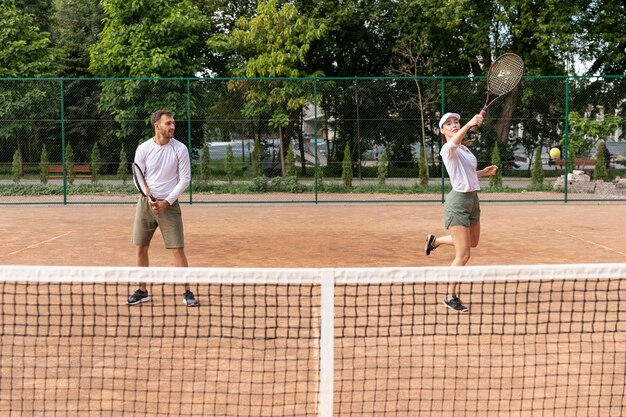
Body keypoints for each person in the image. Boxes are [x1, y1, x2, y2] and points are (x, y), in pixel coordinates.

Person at [425, 112, 498, 313]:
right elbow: (455, 142)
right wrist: (469, 124)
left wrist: (483, 173)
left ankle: (436, 241)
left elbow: (465, 174)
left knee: (473, 242)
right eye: (448, 123)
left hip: (473, 200)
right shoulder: (447, 149)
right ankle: (450, 297)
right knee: (463, 254)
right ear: (442, 131)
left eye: (456, 121)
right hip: (457, 202)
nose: (454, 125)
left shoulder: (464, 149)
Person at [127, 109, 198, 306]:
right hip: (146, 204)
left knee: (178, 250)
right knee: (140, 247)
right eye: (168, 123)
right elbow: (138, 176)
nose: (172, 126)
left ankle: (187, 291)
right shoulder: (143, 149)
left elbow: (185, 178)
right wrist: (148, 197)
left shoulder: (180, 149)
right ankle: (142, 291)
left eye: (173, 123)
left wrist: (167, 202)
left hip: (170, 205)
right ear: (157, 126)